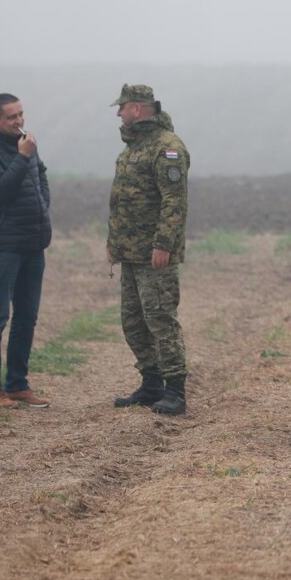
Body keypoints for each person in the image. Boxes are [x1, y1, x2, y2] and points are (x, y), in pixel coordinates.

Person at [107, 84, 191, 416]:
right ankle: (151, 382)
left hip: (155, 254)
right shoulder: (133, 148)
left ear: (138, 109)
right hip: (131, 252)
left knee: (160, 319)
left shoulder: (166, 147)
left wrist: (163, 244)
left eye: (122, 107)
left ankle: (175, 389)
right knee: (133, 321)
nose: (119, 113)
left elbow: (175, 201)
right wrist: (114, 245)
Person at [0, 93, 52, 409]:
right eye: (11, 117)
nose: (19, 121)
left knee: (27, 317)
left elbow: (40, 175)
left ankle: (18, 385)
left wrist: (43, 205)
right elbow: (1, 190)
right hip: (3, 247)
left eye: (21, 114)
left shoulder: (26, 143)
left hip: (33, 244)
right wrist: (22, 157)